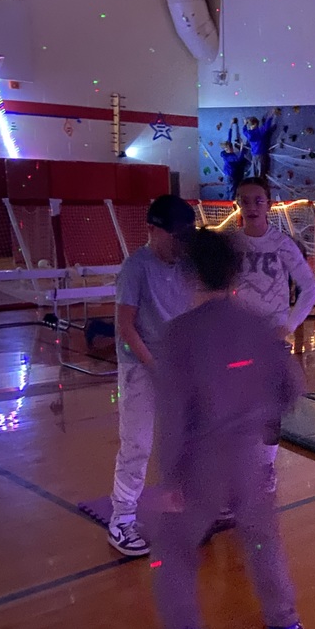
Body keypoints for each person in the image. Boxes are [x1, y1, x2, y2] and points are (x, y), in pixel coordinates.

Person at [144, 228, 307, 629]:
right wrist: (257, 412)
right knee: (261, 540)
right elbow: (292, 387)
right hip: (248, 457)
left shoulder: (180, 334)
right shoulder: (258, 326)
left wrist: (170, 477)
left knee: (173, 549)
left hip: (201, 461)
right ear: (237, 272)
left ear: (190, 274)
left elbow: (174, 416)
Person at [108, 195, 196, 557]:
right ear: (153, 231)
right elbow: (126, 326)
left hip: (176, 365)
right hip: (140, 369)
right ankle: (122, 520)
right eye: (174, 236)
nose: (179, 244)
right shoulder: (136, 267)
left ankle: (186, 505)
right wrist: (155, 368)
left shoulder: (186, 265)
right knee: (138, 444)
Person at [233, 176, 315, 492]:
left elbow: (310, 287)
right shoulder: (232, 244)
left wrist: (290, 325)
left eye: (258, 200)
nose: (252, 206)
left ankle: (267, 467)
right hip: (238, 339)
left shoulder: (283, 245)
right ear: (237, 205)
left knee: (269, 407)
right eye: (245, 200)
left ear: (269, 204)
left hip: (272, 341)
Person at [220, 117, 247, 199]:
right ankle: (230, 205)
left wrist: (231, 125)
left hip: (228, 175)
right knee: (231, 191)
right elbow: (239, 158)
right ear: (227, 149)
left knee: (229, 190)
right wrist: (242, 148)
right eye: (230, 148)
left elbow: (229, 138)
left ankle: (228, 203)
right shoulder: (229, 157)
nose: (232, 148)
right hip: (231, 176)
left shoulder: (225, 153)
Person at [242, 112, 275, 179]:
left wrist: (245, 124)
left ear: (255, 124)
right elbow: (267, 126)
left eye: (251, 125)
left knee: (255, 171)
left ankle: (257, 184)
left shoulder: (250, 133)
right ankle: (259, 183)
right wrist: (271, 116)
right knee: (261, 172)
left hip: (255, 154)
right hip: (260, 154)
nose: (250, 127)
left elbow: (244, 131)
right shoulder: (260, 131)